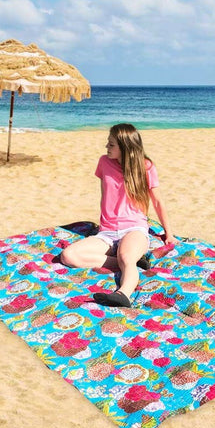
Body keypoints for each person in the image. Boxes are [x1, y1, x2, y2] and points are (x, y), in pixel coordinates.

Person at [60, 123, 177, 308]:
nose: (107, 147)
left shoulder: (146, 167)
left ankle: (123, 294)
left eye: (111, 144)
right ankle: (130, 262)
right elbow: (105, 194)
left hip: (134, 229)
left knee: (126, 258)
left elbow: (157, 202)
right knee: (68, 255)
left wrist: (169, 234)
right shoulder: (104, 162)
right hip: (106, 232)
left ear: (124, 147)